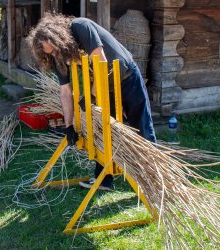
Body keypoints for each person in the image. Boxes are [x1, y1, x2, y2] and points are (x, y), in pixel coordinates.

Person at [27, 13, 156, 190]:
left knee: (141, 125)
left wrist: (91, 97)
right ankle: (104, 180)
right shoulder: (57, 57)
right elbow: (65, 91)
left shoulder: (81, 27)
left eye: (55, 49)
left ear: (59, 38)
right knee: (103, 130)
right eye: (50, 53)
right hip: (103, 87)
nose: (55, 54)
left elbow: (100, 62)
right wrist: (68, 126)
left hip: (125, 76)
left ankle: (154, 178)